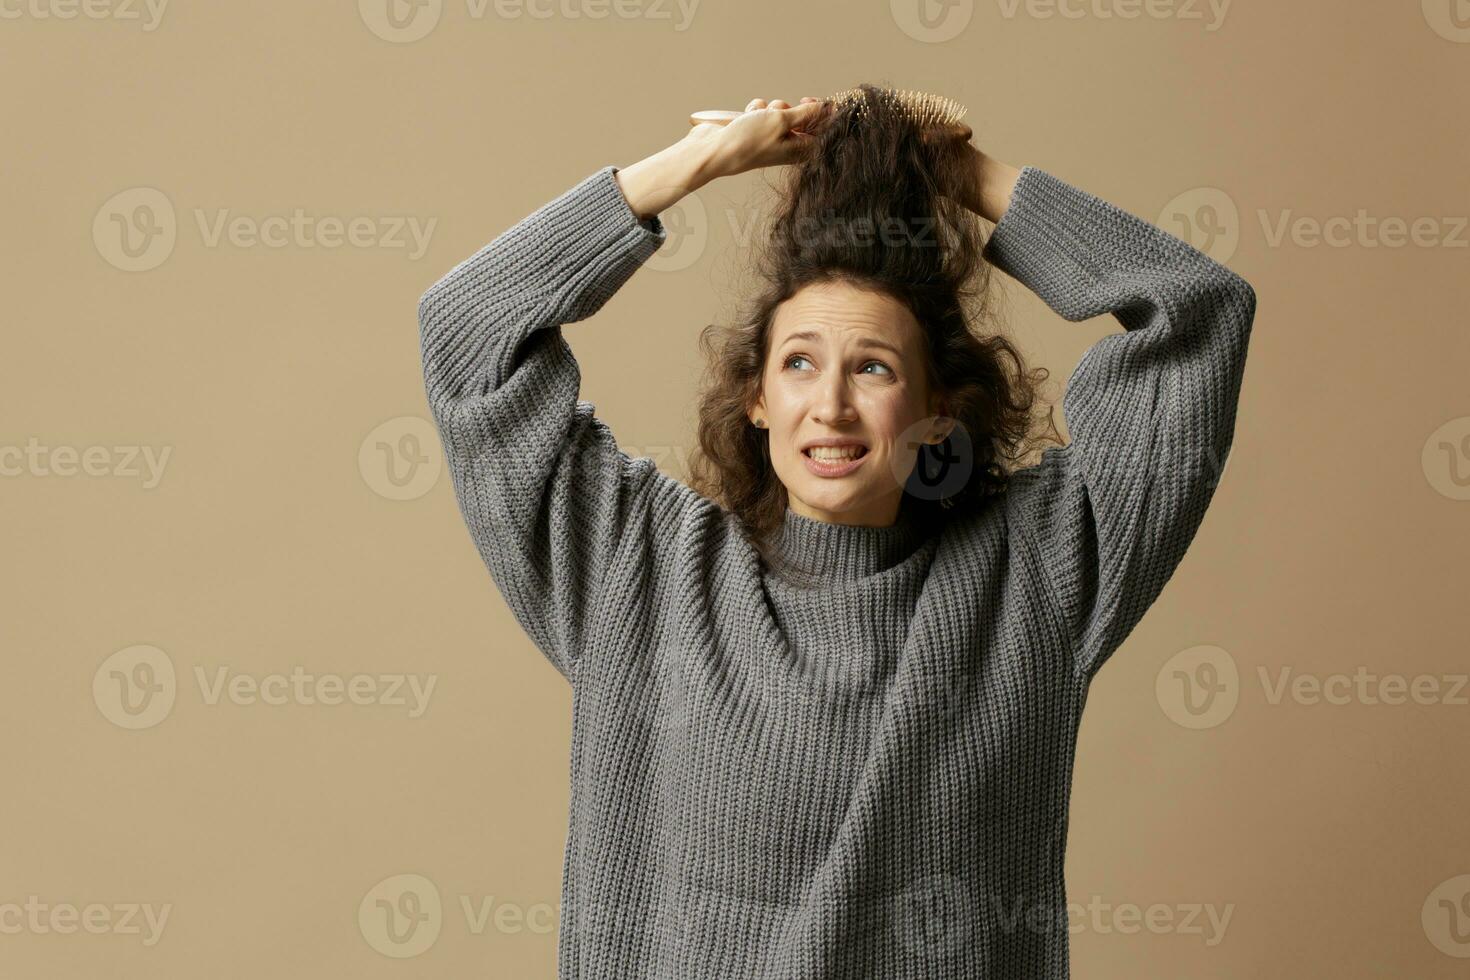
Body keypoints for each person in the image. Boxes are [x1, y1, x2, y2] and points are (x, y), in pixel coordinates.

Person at [416, 84, 1256, 979]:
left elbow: (1199, 312)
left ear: (937, 407)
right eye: (801, 363)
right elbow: (467, 328)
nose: (832, 406)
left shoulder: (1036, 573)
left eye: (875, 368)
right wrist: (694, 166)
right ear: (757, 398)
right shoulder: (637, 567)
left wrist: (962, 175)